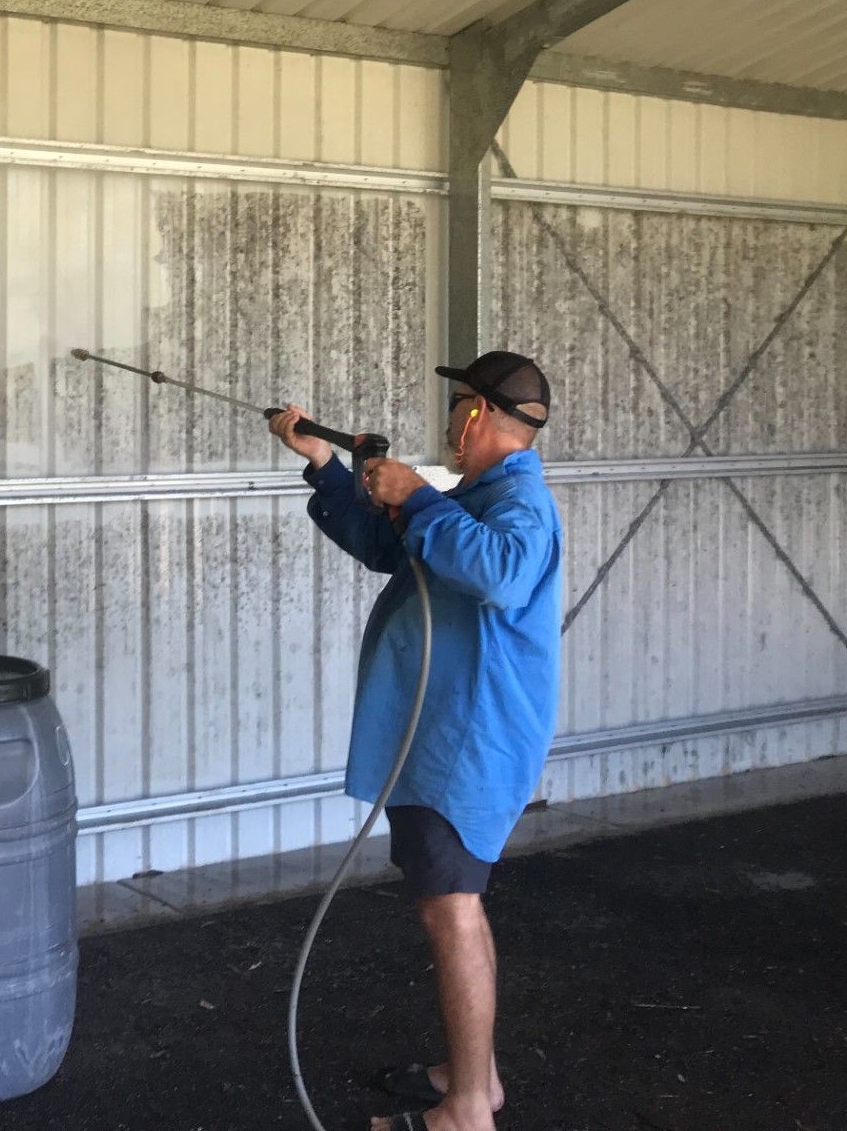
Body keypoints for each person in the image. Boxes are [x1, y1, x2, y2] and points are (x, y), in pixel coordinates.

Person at [268, 352, 563, 1131]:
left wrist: (420, 499)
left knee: (451, 909)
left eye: (457, 403)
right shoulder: (474, 497)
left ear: (477, 413)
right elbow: (385, 548)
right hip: (441, 737)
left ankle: (467, 1111)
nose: (447, 419)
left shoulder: (518, 506)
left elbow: (499, 572)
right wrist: (329, 467)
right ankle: (478, 1077)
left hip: (464, 745)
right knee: (459, 904)